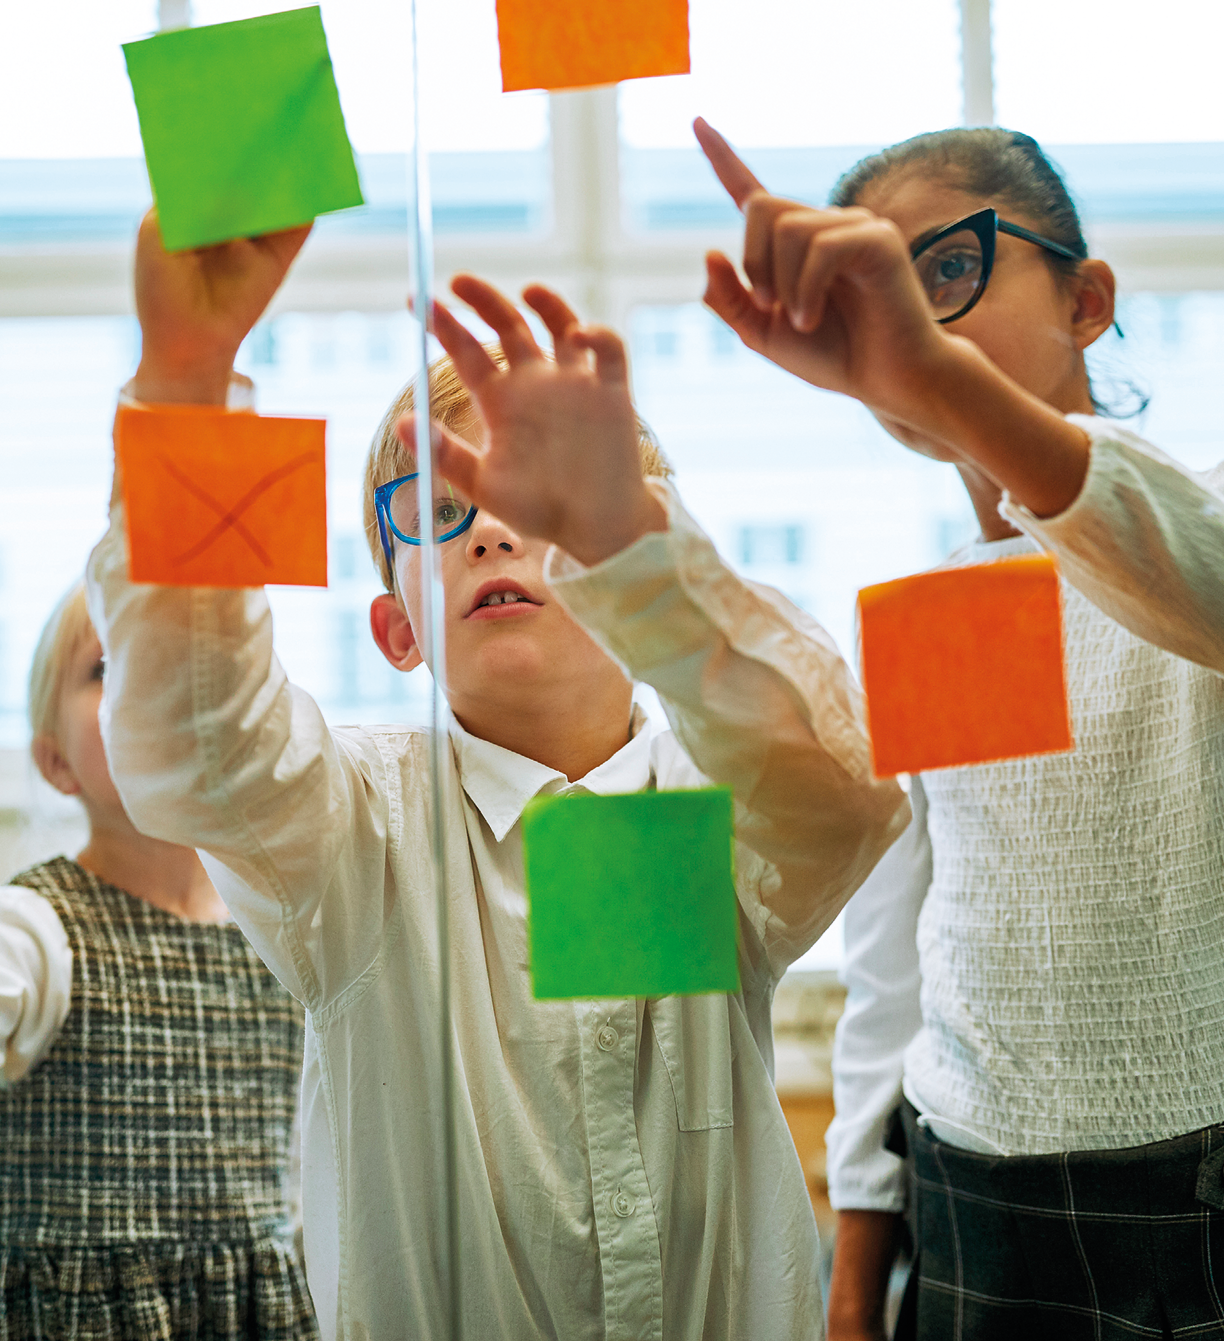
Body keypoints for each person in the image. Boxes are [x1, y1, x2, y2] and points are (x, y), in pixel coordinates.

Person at [85, 212, 910, 1340]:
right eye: (434, 513)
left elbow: (846, 794)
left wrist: (634, 547)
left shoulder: (716, 806)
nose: (487, 533)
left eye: (537, 497)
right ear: (397, 631)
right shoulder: (350, 832)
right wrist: (185, 384)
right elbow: (195, 739)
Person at [695, 118, 1224, 1339]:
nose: (911, 317)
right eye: (870, 290)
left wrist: (936, 377)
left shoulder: (1188, 524)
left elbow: (1182, 567)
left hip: (1195, 1194)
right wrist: (855, 1268)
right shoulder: (934, 612)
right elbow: (897, 964)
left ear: (1088, 301)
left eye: (949, 267)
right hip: (971, 1197)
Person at [0, 580, 317, 1340]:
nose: (149, 682)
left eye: (178, 660)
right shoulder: (38, 926)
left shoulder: (283, 930)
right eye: (107, 666)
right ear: (56, 763)